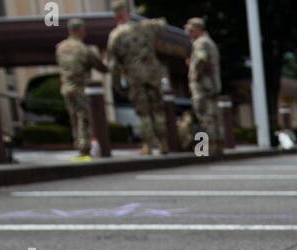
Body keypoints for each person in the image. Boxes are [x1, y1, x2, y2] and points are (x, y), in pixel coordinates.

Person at [106, 0, 169, 155]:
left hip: (134, 76)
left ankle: (148, 145)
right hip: (153, 73)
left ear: (116, 15)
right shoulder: (145, 27)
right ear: (128, 12)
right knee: (158, 110)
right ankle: (163, 143)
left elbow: (113, 65)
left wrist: (116, 85)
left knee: (144, 112)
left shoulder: (115, 35)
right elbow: (163, 24)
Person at [55, 17, 108, 159]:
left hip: (66, 87)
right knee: (83, 117)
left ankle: (78, 144)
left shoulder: (60, 47)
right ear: (79, 30)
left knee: (73, 117)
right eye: (83, 29)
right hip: (80, 87)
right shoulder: (83, 49)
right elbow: (101, 67)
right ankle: (84, 147)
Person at [184, 17, 223, 158]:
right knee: (214, 115)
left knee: (204, 116)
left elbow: (201, 59)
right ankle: (217, 146)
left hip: (203, 86)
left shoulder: (200, 43)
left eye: (191, 30)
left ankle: (205, 149)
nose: (188, 33)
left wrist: (195, 73)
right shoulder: (210, 42)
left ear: (198, 29)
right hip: (212, 85)